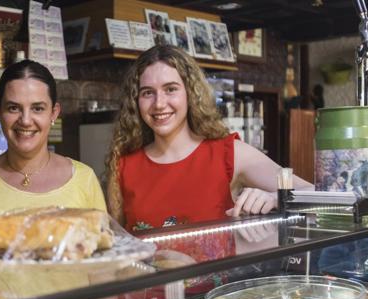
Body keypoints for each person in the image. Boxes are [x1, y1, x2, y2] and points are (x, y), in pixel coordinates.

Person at [106, 45, 312, 232]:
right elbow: (115, 242)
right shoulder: (123, 165)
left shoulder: (229, 153)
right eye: (147, 93)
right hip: (150, 275)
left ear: (190, 94)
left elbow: (313, 192)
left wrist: (275, 198)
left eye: (171, 89)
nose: (159, 103)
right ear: (136, 101)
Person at [0, 60, 106, 256]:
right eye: (13, 108)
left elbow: (103, 263)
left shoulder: (84, 178)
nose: (26, 120)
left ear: (54, 113)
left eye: (37, 108)